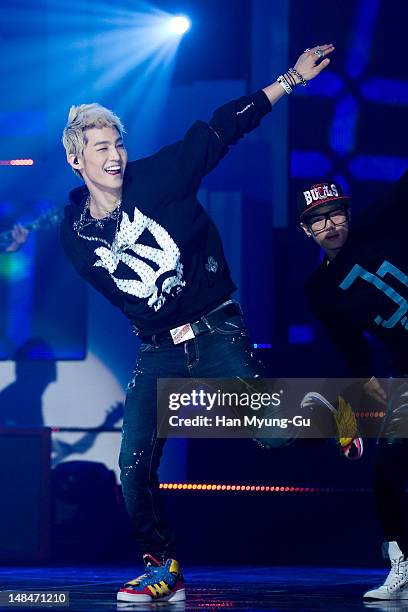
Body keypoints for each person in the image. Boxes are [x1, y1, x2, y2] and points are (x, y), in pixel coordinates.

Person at [60, 44, 334, 604]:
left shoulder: (161, 177)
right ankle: (163, 568)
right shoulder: (75, 234)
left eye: (117, 144)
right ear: (77, 161)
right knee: (132, 465)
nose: (114, 155)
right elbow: (123, 293)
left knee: (272, 436)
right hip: (159, 352)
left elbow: (218, 131)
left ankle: (340, 412)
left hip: (215, 331)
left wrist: (289, 79)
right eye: (101, 148)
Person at [298, 176, 408, 600]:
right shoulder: (319, 289)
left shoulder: (378, 225)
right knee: (388, 469)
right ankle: (401, 562)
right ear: (306, 231)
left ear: (348, 214)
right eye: (318, 220)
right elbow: (346, 339)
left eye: (335, 214)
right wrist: (365, 378)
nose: (329, 225)